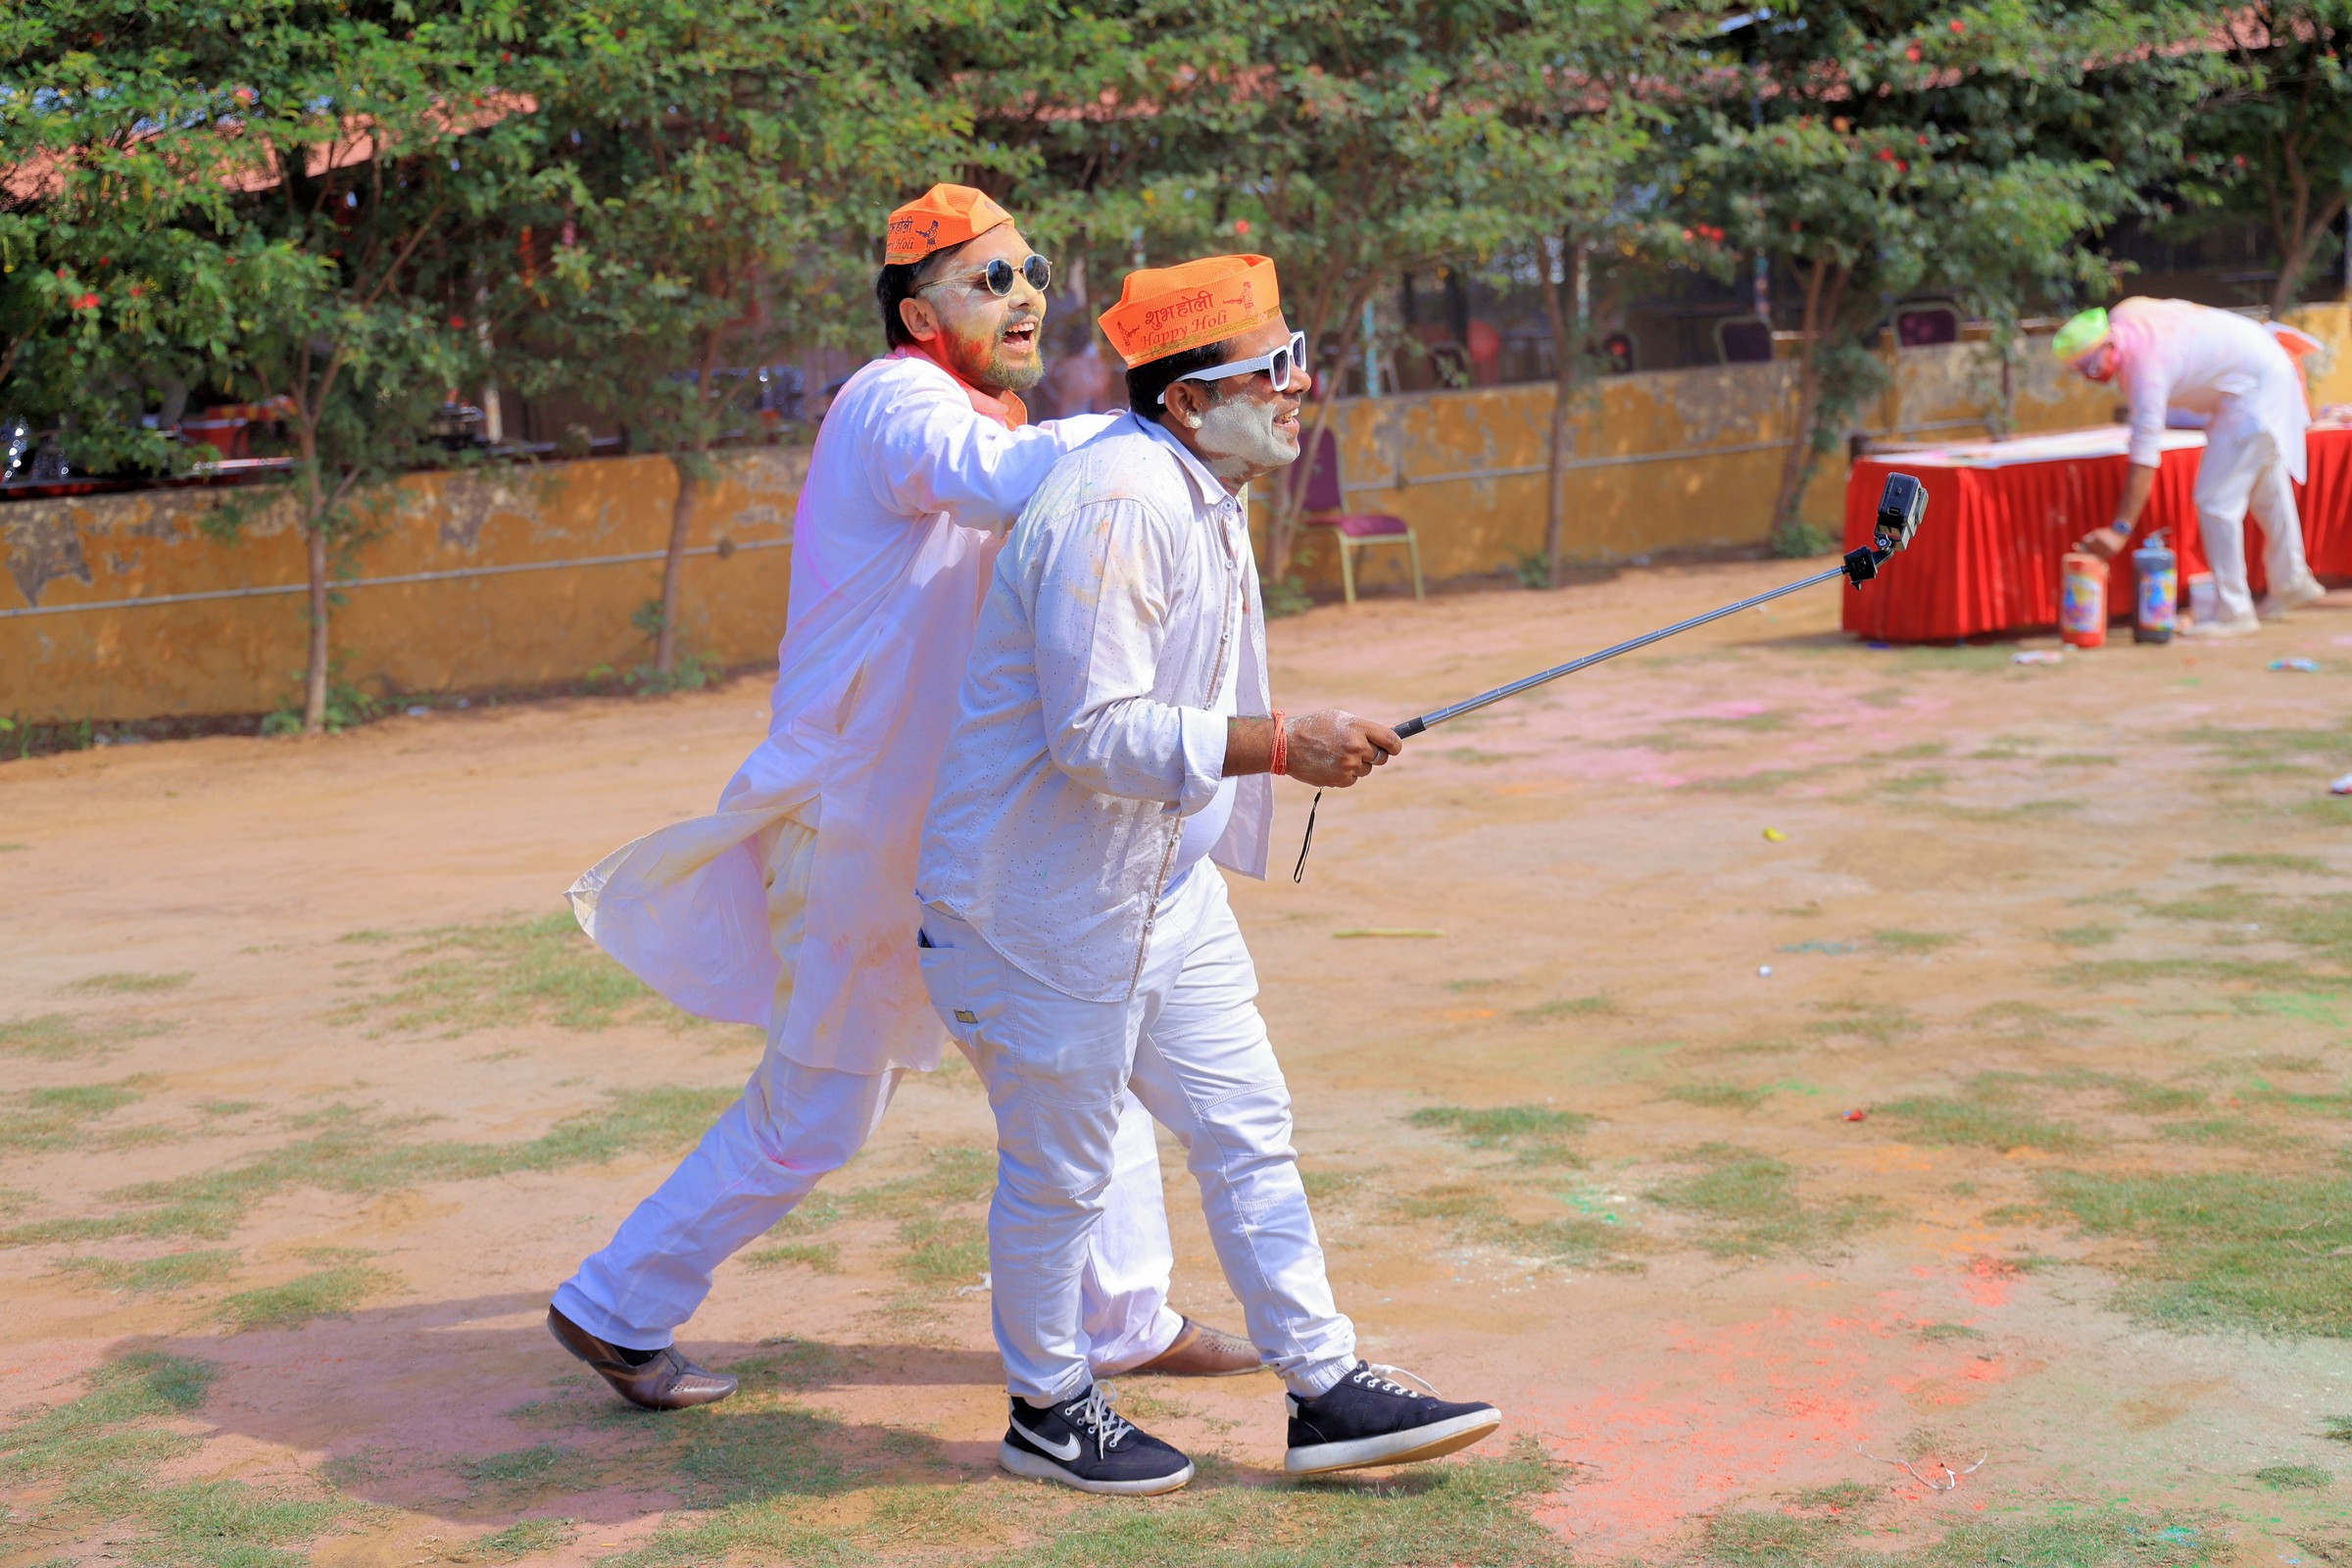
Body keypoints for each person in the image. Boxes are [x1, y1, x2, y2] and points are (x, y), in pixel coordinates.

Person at [545, 185, 1256, 1410]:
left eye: (1032, 271)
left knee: (1085, 1044)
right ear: (920, 316)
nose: (1025, 296)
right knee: (818, 1114)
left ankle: (1127, 1316)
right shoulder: (895, 403)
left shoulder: (1002, 420)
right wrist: (1165, 415)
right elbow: (995, 477)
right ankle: (614, 1304)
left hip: (958, 831)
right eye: (992, 279)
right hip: (862, 833)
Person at [914, 254, 1502, 1495]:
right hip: (1037, 914)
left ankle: (1324, 1385)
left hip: (1164, 895)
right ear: (1185, 401)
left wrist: (1284, 740)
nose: (1299, 387)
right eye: (1269, 370)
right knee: (1063, 1179)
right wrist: (1285, 742)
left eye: (1298, 360)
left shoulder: (1205, 491)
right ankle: (1046, 1408)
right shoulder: (1123, 501)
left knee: (1247, 1130)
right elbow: (1095, 734)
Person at [2055, 299, 2327, 637]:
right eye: (2081, 372)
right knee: (2266, 490)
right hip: (2264, 371)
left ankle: (2234, 611)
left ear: (2110, 343)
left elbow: (2145, 454)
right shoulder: (2127, 315)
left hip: (2253, 391)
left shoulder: (2145, 367)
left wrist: (2119, 530)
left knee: (2216, 502)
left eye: (2093, 367)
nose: (2092, 378)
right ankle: (2291, 580)